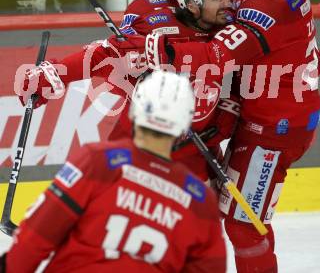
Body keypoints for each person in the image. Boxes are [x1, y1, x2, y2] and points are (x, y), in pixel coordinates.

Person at [144, 0, 320, 272]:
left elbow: (217, 56)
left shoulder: (272, 7)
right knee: (236, 213)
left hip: (275, 131)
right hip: (268, 118)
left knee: (245, 224)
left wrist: (164, 50)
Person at [16, 0, 239, 182]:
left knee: (197, 210)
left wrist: (223, 120)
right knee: (108, 196)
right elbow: (105, 54)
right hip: (139, 140)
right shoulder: (157, 29)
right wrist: (54, 74)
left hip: (193, 148)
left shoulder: (233, 30)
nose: (227, 2)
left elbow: (243, 79)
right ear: (191, 4)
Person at [3, 71, 227, 272]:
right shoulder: (200, 199)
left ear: (135, 109)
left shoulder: (98, 162)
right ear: (185, 122)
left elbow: (36, 236)